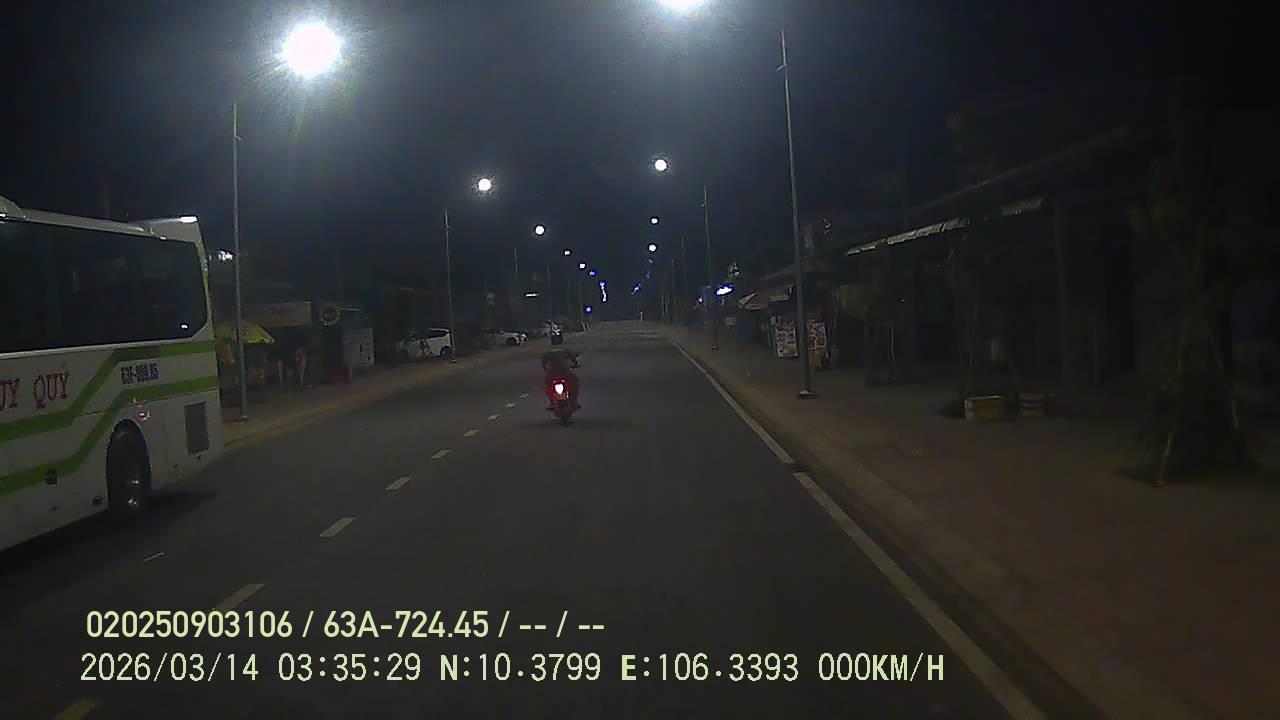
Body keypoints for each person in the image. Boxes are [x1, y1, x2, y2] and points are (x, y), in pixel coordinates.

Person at [541, 345, 580, 411]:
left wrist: (546, 369)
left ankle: (552, 402)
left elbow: (544, 363)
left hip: (553, 373)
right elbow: (574, 360)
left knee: (547, 384)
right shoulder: (566, 351)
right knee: (575, 382)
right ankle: (574, 401)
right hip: (564, 372)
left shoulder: (548, 353)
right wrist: (575, 364)